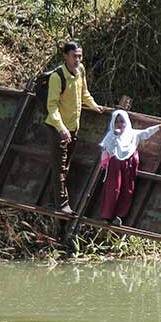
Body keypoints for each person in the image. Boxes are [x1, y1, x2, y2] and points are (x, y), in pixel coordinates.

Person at [45, 41, 104, 214]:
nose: (78, 59)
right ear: (65, 56)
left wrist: (94, 106)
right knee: (60, 167)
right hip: (58, 129)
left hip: (73, 127)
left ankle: (51, 200)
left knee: (65, 166)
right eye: (74, 56)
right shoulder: (57, 77)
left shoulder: (80, 71)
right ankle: (63, 205)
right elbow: (52, 106)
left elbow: (84, 93)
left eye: (80, 56)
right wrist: (61, 128)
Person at [98, 110, 161, 225]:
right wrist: (116, 136)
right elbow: (108, 148)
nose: (119, 124)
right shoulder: (111, 135)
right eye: (116, 122)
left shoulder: (133, 133)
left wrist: (159, 126)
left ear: (126, 122)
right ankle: (107, 216)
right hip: (115, 164)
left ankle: (119, 216)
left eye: (122, 121)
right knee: (113, 188)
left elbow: (146, 133)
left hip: (129, 164)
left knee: (127, 188)